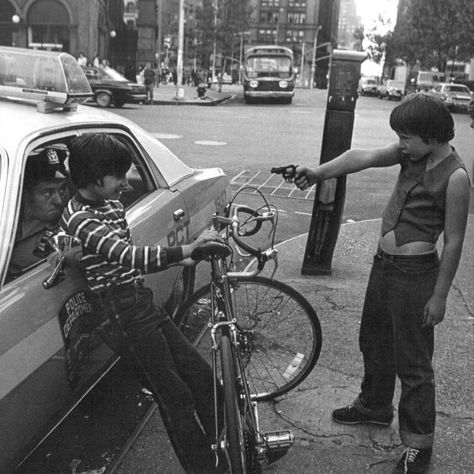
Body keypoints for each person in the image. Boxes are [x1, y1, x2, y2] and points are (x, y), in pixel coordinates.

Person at [294, 93, 470, 474]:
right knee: (373, 340)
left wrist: (439, 297)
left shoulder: (456, 177)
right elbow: (364, 156)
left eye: (407, 137)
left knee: (413, 362)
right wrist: (319, 171)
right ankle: (374, 406)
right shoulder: (411, 153)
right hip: (384, 266)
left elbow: (454, 241)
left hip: (415, 276)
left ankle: (418, 445)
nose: (401, 144)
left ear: (433, 137)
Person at [61, 133, 226, 474]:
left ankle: (232, 448)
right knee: (175, 396)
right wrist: (187, 251)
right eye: (118, 176)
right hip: (119, 314)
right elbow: (127, 255)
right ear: (93, 179)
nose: (126, 183)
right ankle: (206, 469)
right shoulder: (80, 220)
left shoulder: (110, 205)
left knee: (201, 375)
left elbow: (125, 257)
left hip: (138, 301)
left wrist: (180, 259)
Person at [8, 145, 70, 278]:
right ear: (25, 195)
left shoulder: (72, 220)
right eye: (47, 193)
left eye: (63, 189)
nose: (59, 200)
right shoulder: (6, 221)